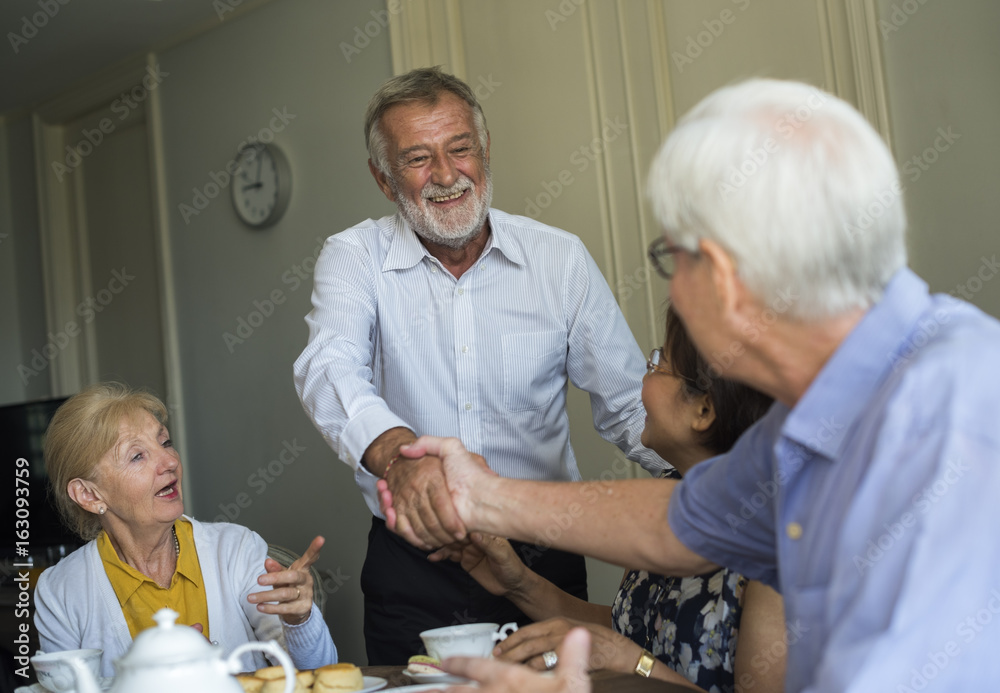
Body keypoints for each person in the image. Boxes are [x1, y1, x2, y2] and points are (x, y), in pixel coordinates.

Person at [381, 78, 1000, 692]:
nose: (672, 292)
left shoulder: (947, 409)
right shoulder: (807, 418)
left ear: (724, 277)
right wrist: (477, 497)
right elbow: (676, 522)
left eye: (671, 259)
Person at [293, 66, 663, 663]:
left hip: (544, 556)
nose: (445, 174)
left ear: (483, 151)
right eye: (417, 158)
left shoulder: (559, 259)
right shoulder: (354, 257)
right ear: (384, 180)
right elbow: (328, 365)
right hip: (414, 560)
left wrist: (720, 484)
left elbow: (627, 405)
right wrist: (398, 458)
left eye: (459, 149)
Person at [425, 305, 784, 691]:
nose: (643, 380)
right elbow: (625, 628)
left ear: (704, 408)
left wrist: (634, 663)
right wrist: (519, 584)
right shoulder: (658, 500)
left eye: (659, 364)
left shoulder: (775, 539)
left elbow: (625, 650)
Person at [34, 382, 338, 677]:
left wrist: (299, 620)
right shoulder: (60, 592)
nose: (170, 461)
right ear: (89, 495)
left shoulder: (234, 549)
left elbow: (318, 673)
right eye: (137, 455)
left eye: (165, 442)